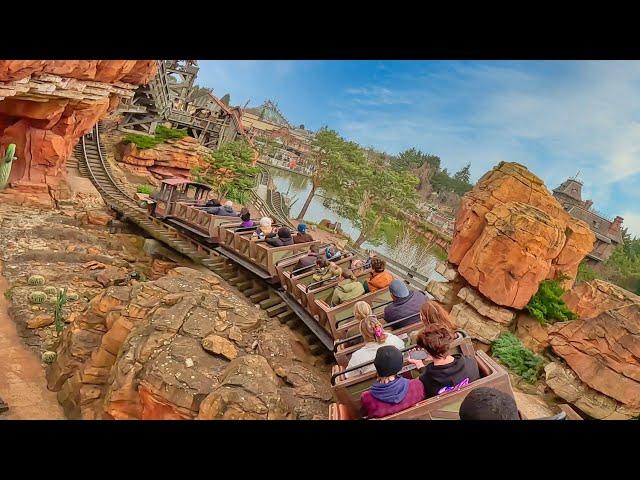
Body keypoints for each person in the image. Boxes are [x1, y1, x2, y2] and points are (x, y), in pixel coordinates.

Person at [406, 325, 480, 399]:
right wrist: (420, 364)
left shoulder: (426, 380)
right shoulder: (470, 361)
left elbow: (428, 377)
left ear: (425, 351)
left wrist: (419, 364)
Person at [360, 345, 425, 419]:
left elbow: (366, 414)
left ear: (376, 365)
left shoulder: (367, 397)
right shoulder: (416, 385)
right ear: (400, 366)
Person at [345, 302, 405, 378]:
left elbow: (349, 376)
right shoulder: (394, 339)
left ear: (363, 334)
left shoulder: (358, 356)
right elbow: (403, 351)